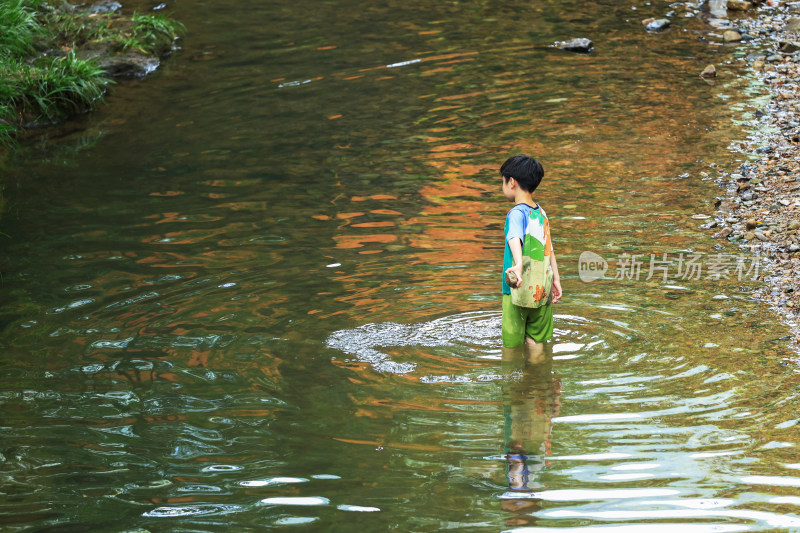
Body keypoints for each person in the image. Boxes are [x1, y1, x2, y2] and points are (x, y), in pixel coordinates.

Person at [500, 154, 562, 355]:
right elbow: (549, 249)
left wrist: (518, 265)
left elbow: (514, 237)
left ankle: (512, 383)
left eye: (503, 181)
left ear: (512, 182)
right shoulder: (541, 213)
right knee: (536, 341)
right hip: (541, 289)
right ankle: (539, 381)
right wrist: (556, 280)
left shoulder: (516, 213)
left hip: (517, 290)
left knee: (512, 345)